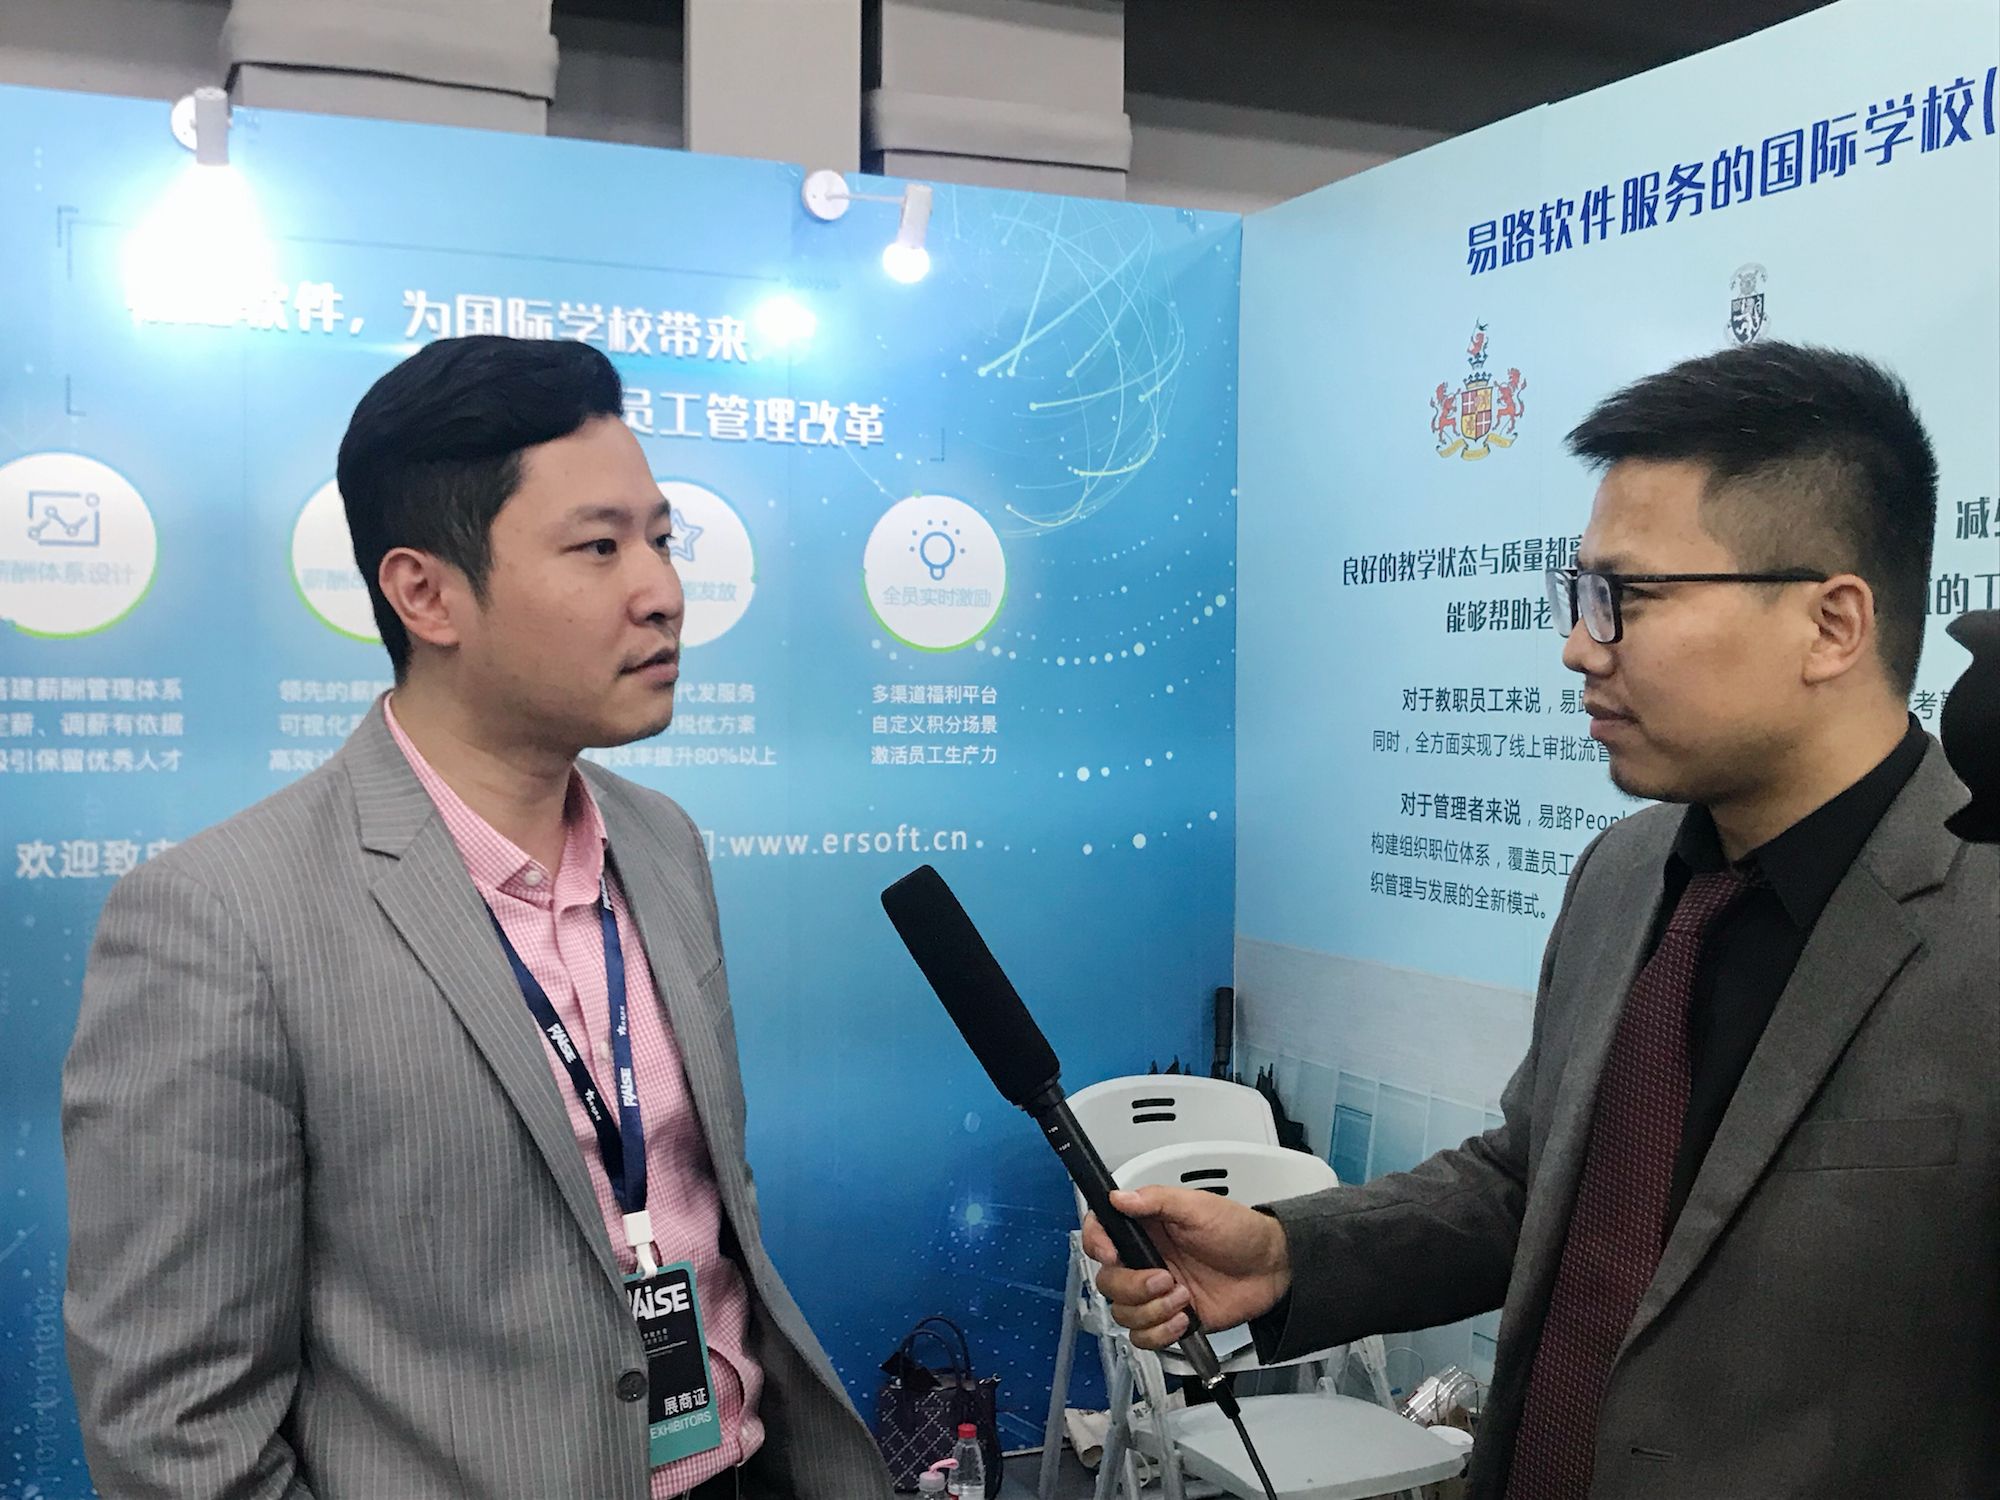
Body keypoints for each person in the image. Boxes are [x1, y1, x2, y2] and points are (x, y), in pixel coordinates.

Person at [1086, 343, 1999, 1498]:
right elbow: (1535, 1184)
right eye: (1579, 594)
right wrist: (1286, 1252)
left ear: (1829, 624)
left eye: (1628, 598)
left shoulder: (1976, 921)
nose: (1577, 644)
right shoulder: (1623, 875)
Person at [63, 337, 893, 1500]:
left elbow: (697, 1209)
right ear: (425, 593)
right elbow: (175, 1423)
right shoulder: (219, 920)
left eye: (661, 541)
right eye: (598, 547)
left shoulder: (660, 844)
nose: (660, 591)